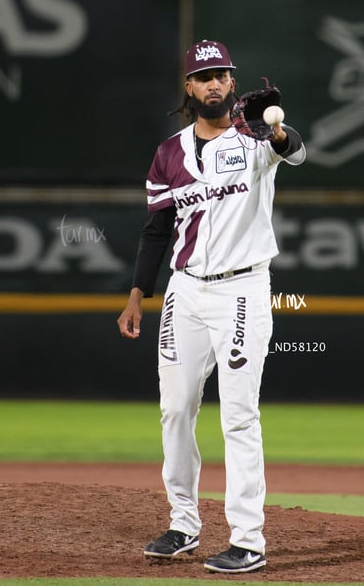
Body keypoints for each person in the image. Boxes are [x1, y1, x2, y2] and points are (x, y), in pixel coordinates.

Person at [117, 39, 306, 573]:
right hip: (184, 290)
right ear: (190, 87)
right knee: (175, 410)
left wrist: (272, 129)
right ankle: (183, 524)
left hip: (242, 290)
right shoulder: (167, 154)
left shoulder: (254, 141)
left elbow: (294, 149)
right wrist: (137, 294)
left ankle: (248, 538)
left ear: (232, 81)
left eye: (223, 74)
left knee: (239, 417)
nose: (216, 84)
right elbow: (156, 231)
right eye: (205, 76)